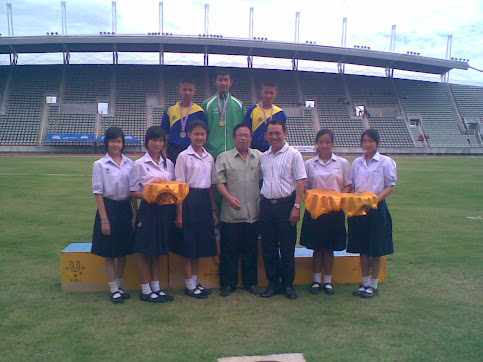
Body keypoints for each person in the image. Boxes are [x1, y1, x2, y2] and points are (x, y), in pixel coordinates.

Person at [299, 129, 352, 295]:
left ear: (332, 143)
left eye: (327, 142)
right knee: (316, 247)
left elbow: (348, 185)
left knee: (329, 248)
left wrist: (339, 198)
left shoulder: (342, 163)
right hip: (315, 211)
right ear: (317, 144)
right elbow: (305, 186)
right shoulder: (309, 164)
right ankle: (316, 281)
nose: (324, 145)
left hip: (334, 211)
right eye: (321, 142)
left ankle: (328, 282)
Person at [213, 124, 262, 297]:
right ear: (233, 138)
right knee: (229, 252)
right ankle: (228, 284)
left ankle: (251, 283)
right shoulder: (223, 158)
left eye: (246, 135)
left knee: (251, 251)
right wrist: (228, 197)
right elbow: (218, 182)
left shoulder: (259, 157)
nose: (243, 138)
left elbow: (265, 180)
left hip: (253, 215)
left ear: (251, 138)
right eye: (240, 135)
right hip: (231, 215)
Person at [259, 120, 307, 300]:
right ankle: (273, 283)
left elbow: (301, 181)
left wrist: (296, 206)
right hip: (267, 206)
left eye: (278, 133)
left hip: (286, 206)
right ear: (266, 136)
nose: (274, 136)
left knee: (287, 248)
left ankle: (288, 284)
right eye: (270, 133)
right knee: (268, 247)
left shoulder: (294, 155)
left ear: (285, 134)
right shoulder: (264, 156)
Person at [347, 128, 397, 298]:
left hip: (376, 209)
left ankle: (374, 285)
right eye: (365, 141)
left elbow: (390, 186)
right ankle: (365, 282)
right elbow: (353, 186)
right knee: (362, 248)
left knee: (375, 249)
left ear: (377, 143)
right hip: (359, 209)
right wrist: (354, 203)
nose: (367, 144)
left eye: (371, 141)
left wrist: (374, 201)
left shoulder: (386, 162)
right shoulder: (356, 163)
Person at [130, 126, 175, 303]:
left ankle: (157, 288)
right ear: (147, 142)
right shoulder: (139, 164)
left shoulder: (168, 163)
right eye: (154, 140)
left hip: (165, 211)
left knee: (158, 251)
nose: (157, 144)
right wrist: (151, 195)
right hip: (148, 210)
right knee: (144, 251)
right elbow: (133, 191)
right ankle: (146, 289)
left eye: (160, 140)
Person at [174, 120, 218, 299]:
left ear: (206, 136)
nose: (199, 137)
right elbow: (179, 187)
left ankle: (195, 282)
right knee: (188, 244)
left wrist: (214, 210)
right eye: (196, 134)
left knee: (199, 245)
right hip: (188, 200)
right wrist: (179, 214)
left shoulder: (209, 158)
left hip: (205, 202)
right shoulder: (183, 156)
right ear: (190, 135)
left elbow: (211, 187)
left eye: (202, 134)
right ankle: (189, 285)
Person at [91, 127, 135, 304]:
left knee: (122, 251)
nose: (116, 145)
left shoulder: (130, 164)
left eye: (119, 141)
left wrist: (135, 214)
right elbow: (98, 193)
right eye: (112, 141)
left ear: (123, 143)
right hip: (108, 208)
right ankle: (113, 289)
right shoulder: (100, 165)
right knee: (109, 252)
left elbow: (133, 191)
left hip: (125, 208)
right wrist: (104, 220)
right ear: (107, 143)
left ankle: (118, 285)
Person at [161, 79, 208, 163]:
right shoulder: (170, 110)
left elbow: (204, 133)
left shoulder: (199, 111)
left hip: (192, 150)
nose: (187, 93)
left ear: (195, 91)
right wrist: (164, 151)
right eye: (184, 89)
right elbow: (165, 133)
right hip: (173, 150)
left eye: (190, 90)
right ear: (179, 90)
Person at [202, 71, 245, 159]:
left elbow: (244, 129)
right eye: (220, 80)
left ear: (231, 82)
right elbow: (203, 129)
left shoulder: (239, 105)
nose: (223, 83)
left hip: (234, 153)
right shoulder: (207, 104)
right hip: (212, 153)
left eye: (226, 80)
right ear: (215, 81)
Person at [243, 82, 287, 152]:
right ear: (261, 92)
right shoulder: (252, 110)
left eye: (271, 93)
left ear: (276, 94)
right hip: (255, 150)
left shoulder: (280, 113)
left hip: (274, 150)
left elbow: (282, 133)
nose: (268, 95)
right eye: (266, 92)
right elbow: (246, 131)